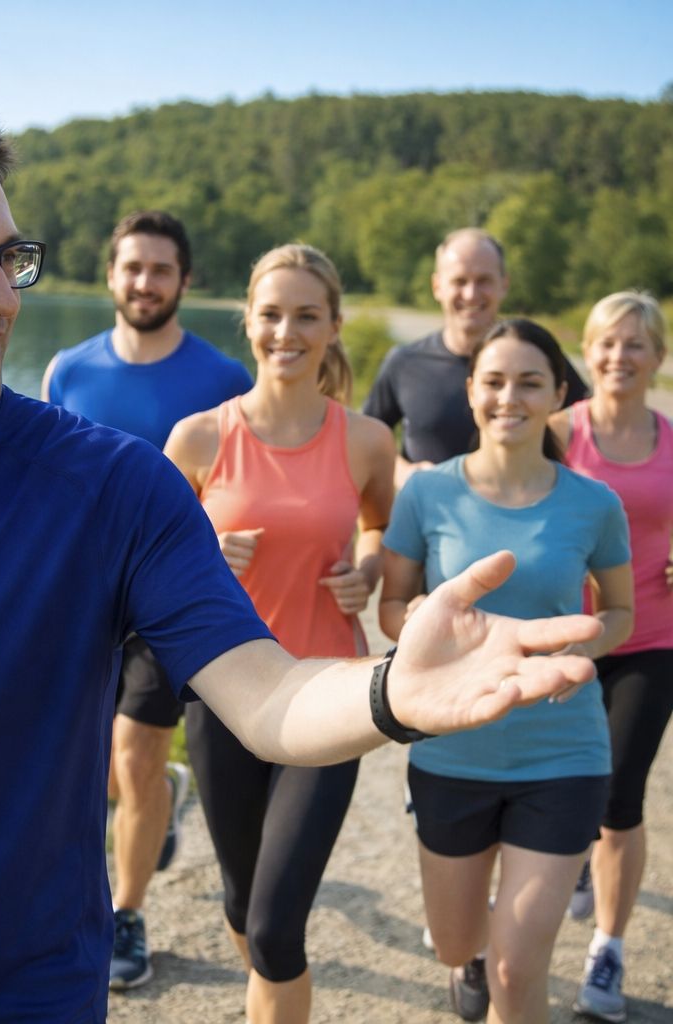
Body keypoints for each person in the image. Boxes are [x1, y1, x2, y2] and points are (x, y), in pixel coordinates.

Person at [0, 101, 610, 1024]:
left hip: (23, 997)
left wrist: (392, 692)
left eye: (8, 259)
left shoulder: (110, 488)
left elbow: (264, 693)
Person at [164, 243, 395, 1023]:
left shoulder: (366, 441)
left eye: (306, 315)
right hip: (224, 693)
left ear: (334, 326)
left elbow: (378, 527)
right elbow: (152, 574)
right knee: (240, 902)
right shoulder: (198, 438)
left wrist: (367, 569)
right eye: (270, 314)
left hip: (330, 694)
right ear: (248, 323)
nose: (285, 331)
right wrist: (201, 547)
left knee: (274, 925)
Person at [379, 318, 633, 1023]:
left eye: (530, 382)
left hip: (563, 753)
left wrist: (577, 649)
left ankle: (516, 939)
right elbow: (395, 606)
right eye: (493, 381)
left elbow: (620, 614)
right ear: (470, 391)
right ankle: (481, 947)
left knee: (520, 972)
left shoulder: (594, 503)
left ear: (558, 393)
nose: (509, 397)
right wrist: (438, 637)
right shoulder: (427, 495)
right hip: (451, 752)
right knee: (457, 945)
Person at [41, 210, 252, 990]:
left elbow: (247, 479)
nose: (145, 282)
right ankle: (159, 796)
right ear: (111, 275)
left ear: (184, 282)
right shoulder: (68, 370)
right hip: (83, 596)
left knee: (131, 750)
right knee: (93, 759)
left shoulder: (226, 380)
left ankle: (124, 912)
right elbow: (44, 483)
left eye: (161, 269)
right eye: (133, 267)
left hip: (168, 601)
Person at [548, 292, 673, 1024]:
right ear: (586, 352)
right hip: (560, 640)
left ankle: (608, 948)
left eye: (635, 345)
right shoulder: (559, 433)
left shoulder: (670, 442)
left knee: (618, 800)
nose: (619, 357)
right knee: (546, 782)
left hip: (651, 642)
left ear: (657, 357)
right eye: (606, 344)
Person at [363, 228, 587, 490]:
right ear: (437, 286)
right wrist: (402, 471)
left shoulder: (537, 357)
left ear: (504, 284)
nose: (471, 294)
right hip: (430, 522)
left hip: (524, 518)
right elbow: (365, 438)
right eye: (459, 281)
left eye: (484, 280)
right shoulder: (405, 362)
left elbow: (594, 428)